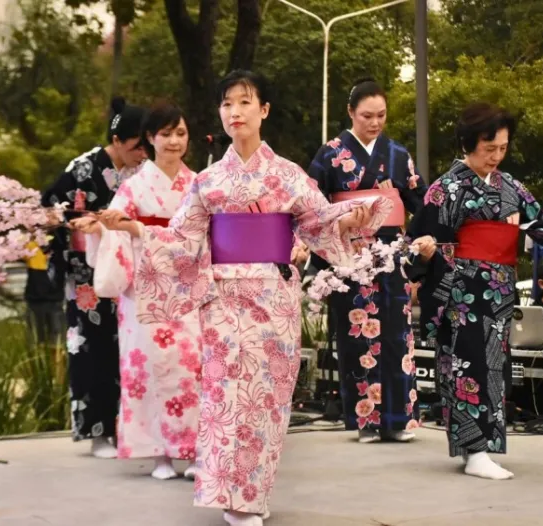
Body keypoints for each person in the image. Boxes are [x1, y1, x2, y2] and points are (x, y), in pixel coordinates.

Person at [73, 70, 400, 526]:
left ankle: (253, 490)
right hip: (224, 300)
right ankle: (234, 499)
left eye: (245, 102)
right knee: (228, 398)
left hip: (274, 299)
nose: (235, 112)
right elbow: (180, 241)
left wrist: (349, 221)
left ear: (263, 110)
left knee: (266, 402)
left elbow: (318, 222)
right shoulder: (207, 181)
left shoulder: (288, 175)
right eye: (227, 104)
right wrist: (133, 229)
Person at [408, 102, 543, 480]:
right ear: (468, 143)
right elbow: (421, 241)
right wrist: (425, 257)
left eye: (503, 148)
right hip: (461, 288)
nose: (496, 156)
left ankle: (479, 448)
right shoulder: (445, 189)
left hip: (499, 289)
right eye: (489, 148)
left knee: (494, 365)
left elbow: (541, 227)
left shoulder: (512, 187)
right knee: (468, 364)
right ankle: (475, 451)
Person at [82, 103, 202, 480]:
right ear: (150, 138)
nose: (174, 141)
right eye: (165, 134)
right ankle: (160, 455)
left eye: (180, 133)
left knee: (192, 366)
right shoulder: (134, 186)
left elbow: (204, 234)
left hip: (185, 283)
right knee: (148, 366)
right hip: (145, 287)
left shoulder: (197, 183)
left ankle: (195, 449)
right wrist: (102, 228)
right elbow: (115, 227)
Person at [308, 78, 428, 444]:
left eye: (381, 115)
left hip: (391, 255)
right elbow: (312, 208)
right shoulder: (329, 155)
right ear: (350, 113)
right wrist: (326, 256)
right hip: (350, 254)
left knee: (395, 336)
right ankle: (366, 420)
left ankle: (399, 419)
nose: (375, 123)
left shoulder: (398, 154)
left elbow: (420, 203)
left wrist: (418, 252)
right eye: (366, 116)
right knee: (357, 335)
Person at [42, 97, 148, 459]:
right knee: (92, 349)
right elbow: (49, 210)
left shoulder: (142, 173)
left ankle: (128, 430)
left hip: (128, 272)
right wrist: (81, 223)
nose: (142, 153)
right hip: (86, 274)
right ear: (118, 140)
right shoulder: (83, 168)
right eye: (137, 146)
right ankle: (97, 431)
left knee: (128, 351)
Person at [23, 236, 65, 350]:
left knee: (57, 343)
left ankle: (58, 366)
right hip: (35, 299)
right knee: (36, 342)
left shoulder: (60, 243)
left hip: (56, 299)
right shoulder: (29, 243)